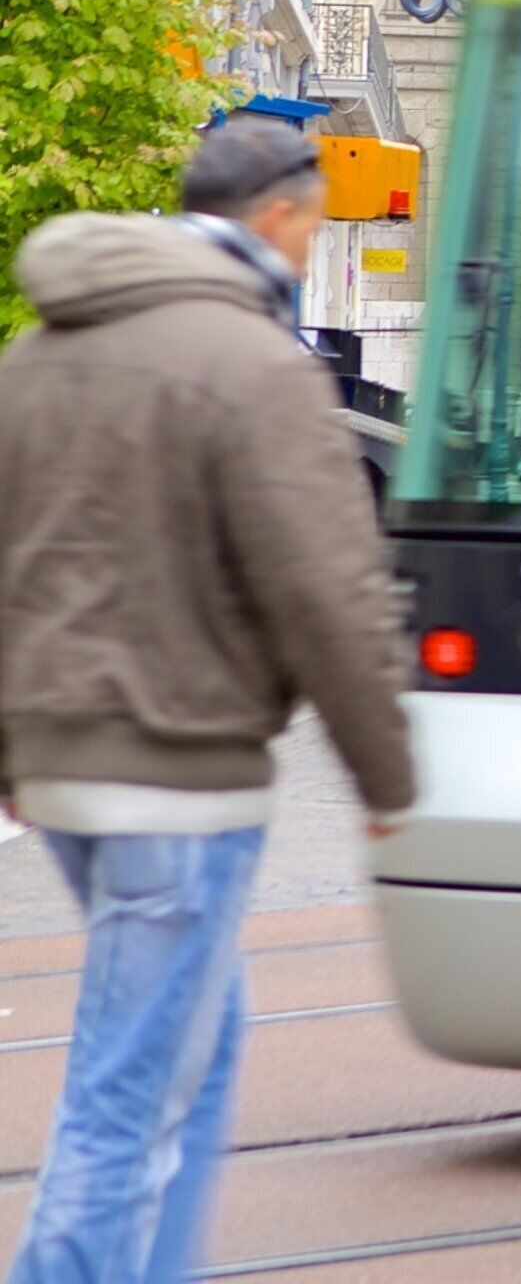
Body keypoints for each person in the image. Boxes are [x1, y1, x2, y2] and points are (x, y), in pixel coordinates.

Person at [0, 125, 418, 1284]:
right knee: (128, 1089)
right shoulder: (256, 366)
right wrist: (388, 778)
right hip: (176, 774)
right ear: (282, 217)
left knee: (200, 1037)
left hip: (64, 761)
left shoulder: (34, 357)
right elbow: (328, 591)